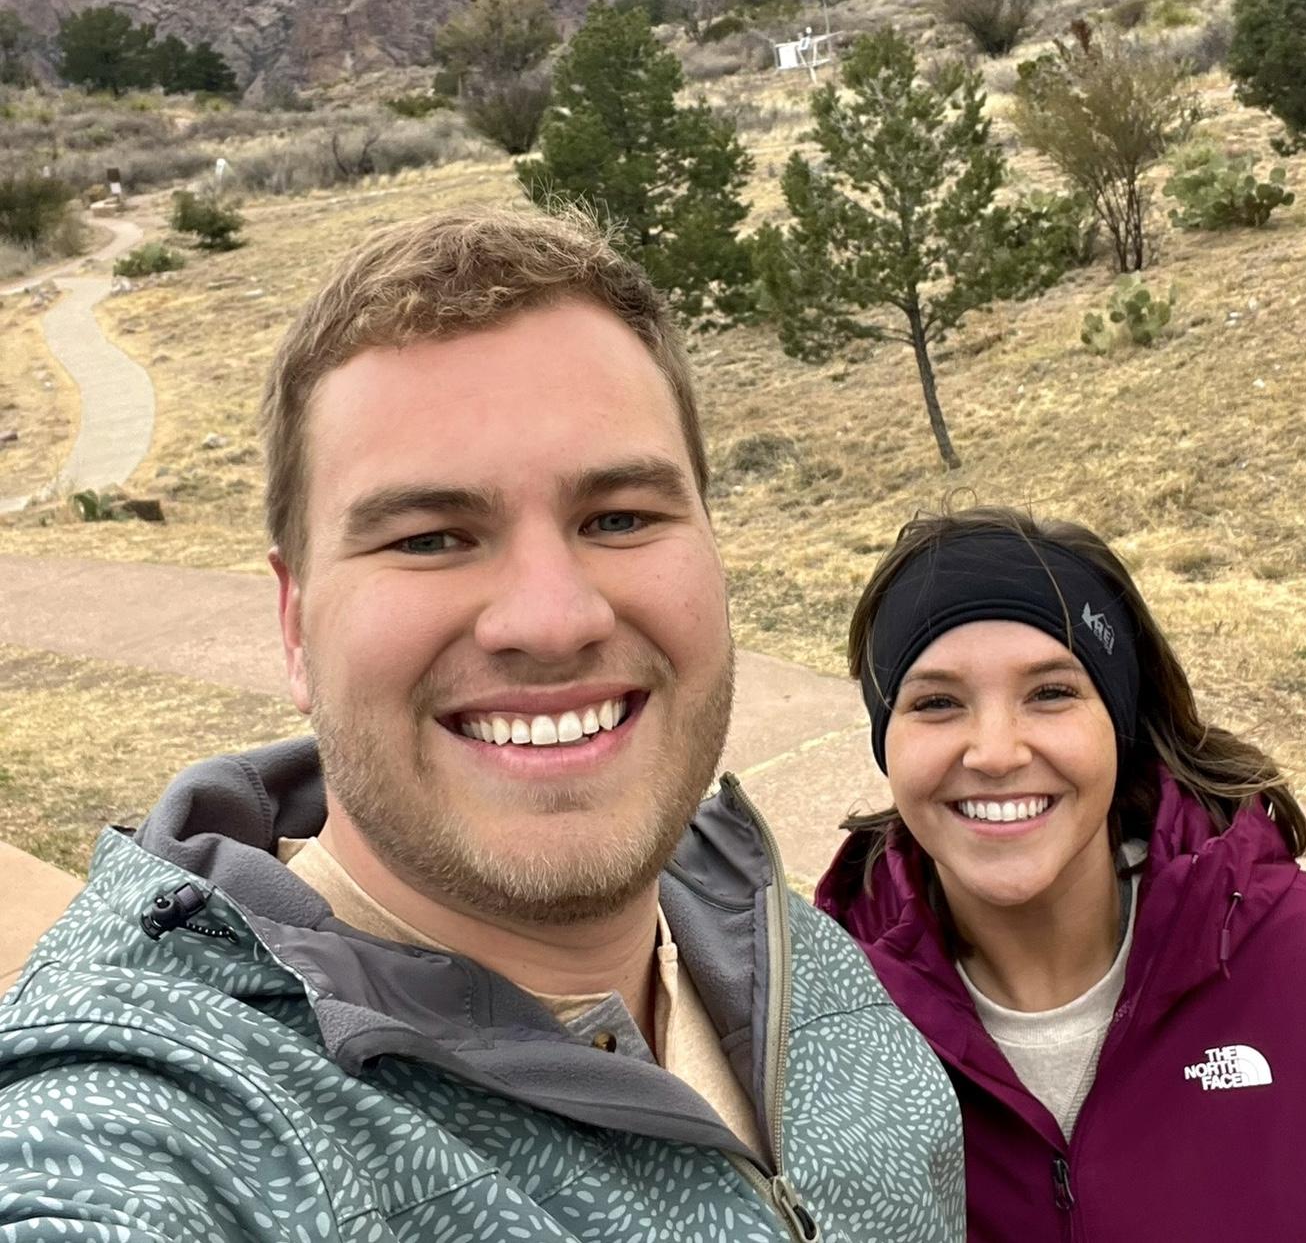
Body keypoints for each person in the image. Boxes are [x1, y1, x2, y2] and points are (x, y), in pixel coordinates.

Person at [0, 209, 964, 1242]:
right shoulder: (164, 1124)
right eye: (430, 538)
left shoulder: (786, 943)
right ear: (293, 623)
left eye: (621, 518)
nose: (553, 619)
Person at [817, 505, 1306, 1242]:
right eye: (936, 702)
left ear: (1121, 722)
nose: (994, 751)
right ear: (888, 743)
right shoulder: (821, 1038)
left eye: (1050, 692)